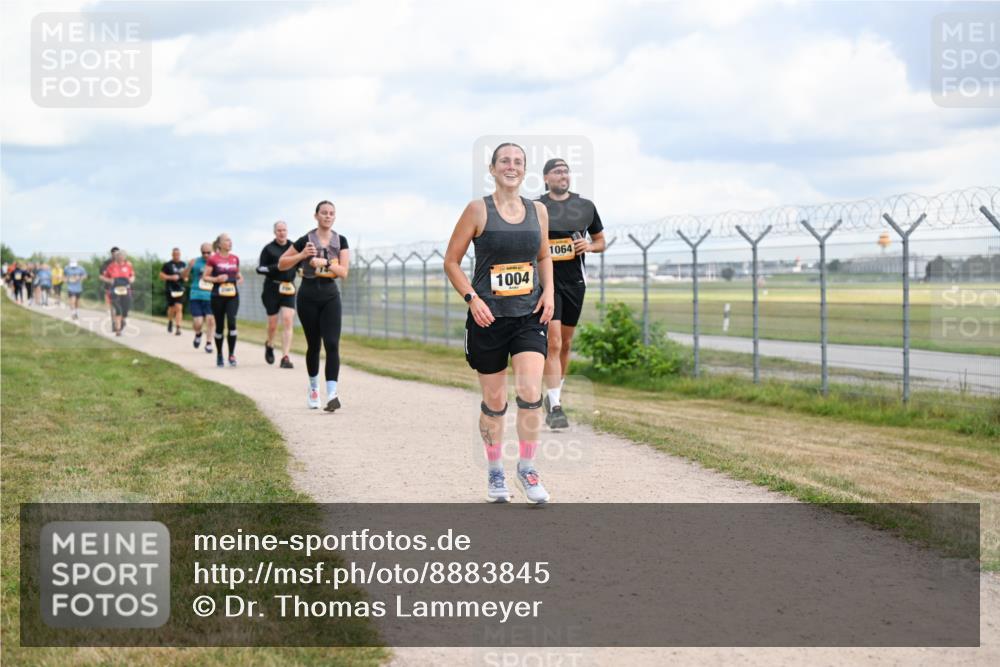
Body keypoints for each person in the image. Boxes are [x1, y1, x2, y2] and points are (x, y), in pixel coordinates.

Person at [443, 142, 555, 504]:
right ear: (492, 169)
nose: (511, 166)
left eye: (518, 162)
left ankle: (527, 467)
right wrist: (472, 299)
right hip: (487, 317)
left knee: (529, 391)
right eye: (504, 161)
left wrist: (549, 292)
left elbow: (543, 256)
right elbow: (451, 261)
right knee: (494, 400)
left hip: (528, 315)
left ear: (525, 170)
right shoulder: (478, 209)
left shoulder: (537, 211)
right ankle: (495, 472)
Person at [537, 158, 607, 429]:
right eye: (557, 171)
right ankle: (555, 406)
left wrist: (588, 247)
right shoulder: (536, 206)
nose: (562, 175)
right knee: (552, 343)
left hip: (575, 283)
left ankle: (554, 395)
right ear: (546, 178)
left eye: (566, 171)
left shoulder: (584, 206)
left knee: (565, 344)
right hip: (546, 283)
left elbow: (601, 241)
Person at [278, 201, 349, 410]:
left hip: (330, 296)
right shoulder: (305, 240)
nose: (328, 216)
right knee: (314, 345)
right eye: (324, 213)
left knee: (332, 343)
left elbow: (344, 272)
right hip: (308, 295)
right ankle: (313, 389)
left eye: (331, 213)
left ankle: (332, 394)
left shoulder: (340, 240)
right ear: (316, 216)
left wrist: (326, 263)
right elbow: (282, 263)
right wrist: (302, 256)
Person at [257, 221, 297, 368]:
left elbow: (299, 264)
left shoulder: (294, 247)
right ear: (275, 232)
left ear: (287, 231)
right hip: (272, 288)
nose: (282, 233)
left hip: (289, 288)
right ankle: (269, 343)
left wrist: (301, 270)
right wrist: (278, 266)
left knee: (287, 319)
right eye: (279, 230)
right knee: (273, 324)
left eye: (284, 230)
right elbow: (260, 268)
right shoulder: (268, 249)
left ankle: (285, 357)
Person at [203, 234, 243, 367]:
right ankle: (220, 354)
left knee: (232, 321)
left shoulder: (235, 258)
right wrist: (216, 279)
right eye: (226, 240)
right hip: (217, 296)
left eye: (230, 240)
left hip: (232, 295)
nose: (229, 242)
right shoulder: (213, 259)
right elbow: (205, 277)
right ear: (219, 244)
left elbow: (238, 275)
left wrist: (239, 279)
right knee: (219, 326)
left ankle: (231, 354)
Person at [183, 243, 216, 354]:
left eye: (208, 252)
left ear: (212, 251)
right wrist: (189, 266)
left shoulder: (216, 262)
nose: (206, 255)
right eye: (204, 253)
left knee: (211, 320)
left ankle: (209, 343)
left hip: (211, 295)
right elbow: (184, 276)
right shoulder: (195, 262)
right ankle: (198, 334)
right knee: (198, 322)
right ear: (200, 252)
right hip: (196, 294)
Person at [101, 249, 135, 336]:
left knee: (125, 310)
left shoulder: (128, 266)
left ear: (124, 257)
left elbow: (132, 276)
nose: (120, 258)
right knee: (118, 309)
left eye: (122, 256)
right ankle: (118, 330)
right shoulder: (111, 266)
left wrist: (131, 280)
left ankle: (122, 320)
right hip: (114, 290)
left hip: (126, 290)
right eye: (119, 256)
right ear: (116, 257)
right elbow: (104, 277)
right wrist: (110, 280)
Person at [159, 248, 187, 336]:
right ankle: (170, 321)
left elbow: (186, 276)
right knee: (171, 308)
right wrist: (171, 277)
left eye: (178, 254)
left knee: (179, 307)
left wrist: (185, 278)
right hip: (170, 289)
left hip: (180, 289)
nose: (177, 256)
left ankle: (178, 327)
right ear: (172, 255)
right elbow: (161, 276)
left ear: (180, 254)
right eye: (175, 254)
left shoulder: (183, 264)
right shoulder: (167, 265)